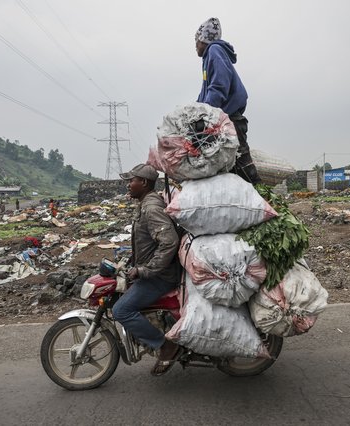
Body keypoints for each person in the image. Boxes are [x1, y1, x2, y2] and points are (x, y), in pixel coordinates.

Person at [112, 164, 182, 376]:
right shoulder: (145, 204)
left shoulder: (151, 208)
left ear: (143, 182)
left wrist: (145, 270)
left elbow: (169, 242)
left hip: (160, 276)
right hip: (155, 272)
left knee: (121, 310)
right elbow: (148, 242)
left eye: (131, 180)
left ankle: (165, 346)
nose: (128, 185)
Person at [195, 17, 261, 185]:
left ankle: (263, 200)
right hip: (224, 120)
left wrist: (205, 115)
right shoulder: (210, 56)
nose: (195, 44)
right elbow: (206, 93)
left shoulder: (214, 50)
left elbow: (218, 87)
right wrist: (194, 112)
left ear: (205, 39)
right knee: (229, 169)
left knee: (243, 167)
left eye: (197, 40)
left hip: (230, 119)